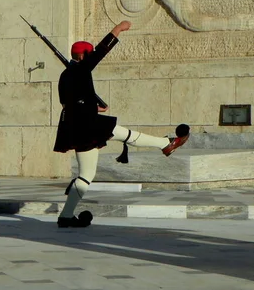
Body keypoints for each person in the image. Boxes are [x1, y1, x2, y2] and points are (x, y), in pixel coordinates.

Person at [54, 21, 190, 227]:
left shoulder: (65, 75)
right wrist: (117, 29)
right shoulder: (82, 69)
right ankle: (165, 144)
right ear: (82, 56)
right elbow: (101, 51)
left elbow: (67, 103)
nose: (91, 57)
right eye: (88, 55)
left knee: (87, 174)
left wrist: (95, 108)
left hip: (76, 125)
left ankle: (66, 216)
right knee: (122, 134)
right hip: (87, 125)